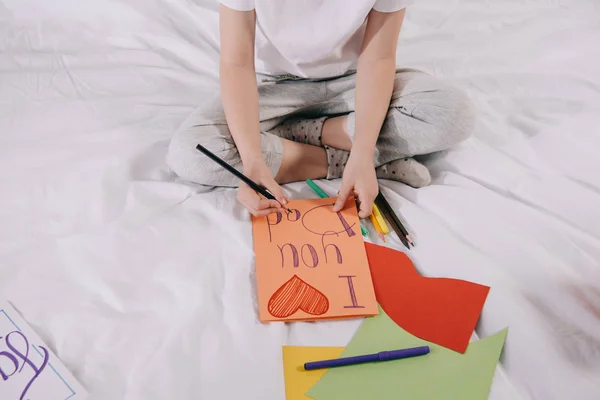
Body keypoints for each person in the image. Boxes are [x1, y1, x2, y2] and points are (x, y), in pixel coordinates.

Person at [167, 0, 475, 218]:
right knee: (190, 153)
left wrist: (364, 150)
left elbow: (378, 58)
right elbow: (236, 62)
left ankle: (295, 135)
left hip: (353, 82)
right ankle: (355, 160)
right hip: (271, 87)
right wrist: (251, 158)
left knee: (451, 114)